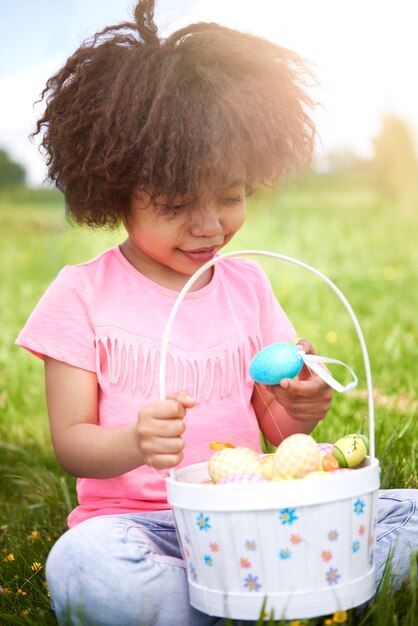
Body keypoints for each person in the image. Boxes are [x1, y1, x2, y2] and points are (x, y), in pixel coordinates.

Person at [16, 1, 417, 625]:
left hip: (255, 518)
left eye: (230, 197)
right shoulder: (81, 294)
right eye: (176, 204)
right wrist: (134, 441)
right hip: (145, 531)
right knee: (87, 567)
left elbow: (281, 438)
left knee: (408, 512)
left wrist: (300, 410)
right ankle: (290, 592)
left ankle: (250, 594)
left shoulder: (249, 285)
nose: (210, 225)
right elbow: (71, 444)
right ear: (113, 189)